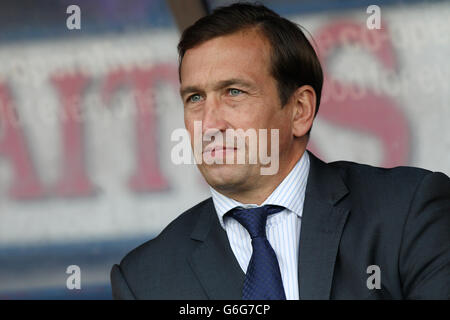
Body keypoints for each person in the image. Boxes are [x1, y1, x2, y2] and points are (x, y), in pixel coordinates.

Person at [110, 3, 450, 299]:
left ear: (299, 110)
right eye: (195, 98)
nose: (209, 123)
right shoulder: (145, 279)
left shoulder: (408, 213)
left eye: (234, 92)